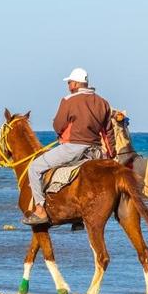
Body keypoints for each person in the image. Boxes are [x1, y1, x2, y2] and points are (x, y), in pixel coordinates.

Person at [22, 68, 116, 225]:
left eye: (69, 83)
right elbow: (108, 132)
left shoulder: (69, 100)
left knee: (34, 168)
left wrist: (61, 134)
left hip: (73, 149)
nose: (68, 86)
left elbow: (57, 124)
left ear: (75, 83)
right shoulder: (103, 102)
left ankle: (40, 210)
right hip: (95, 152)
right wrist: (110, 155)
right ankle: (77, 219)